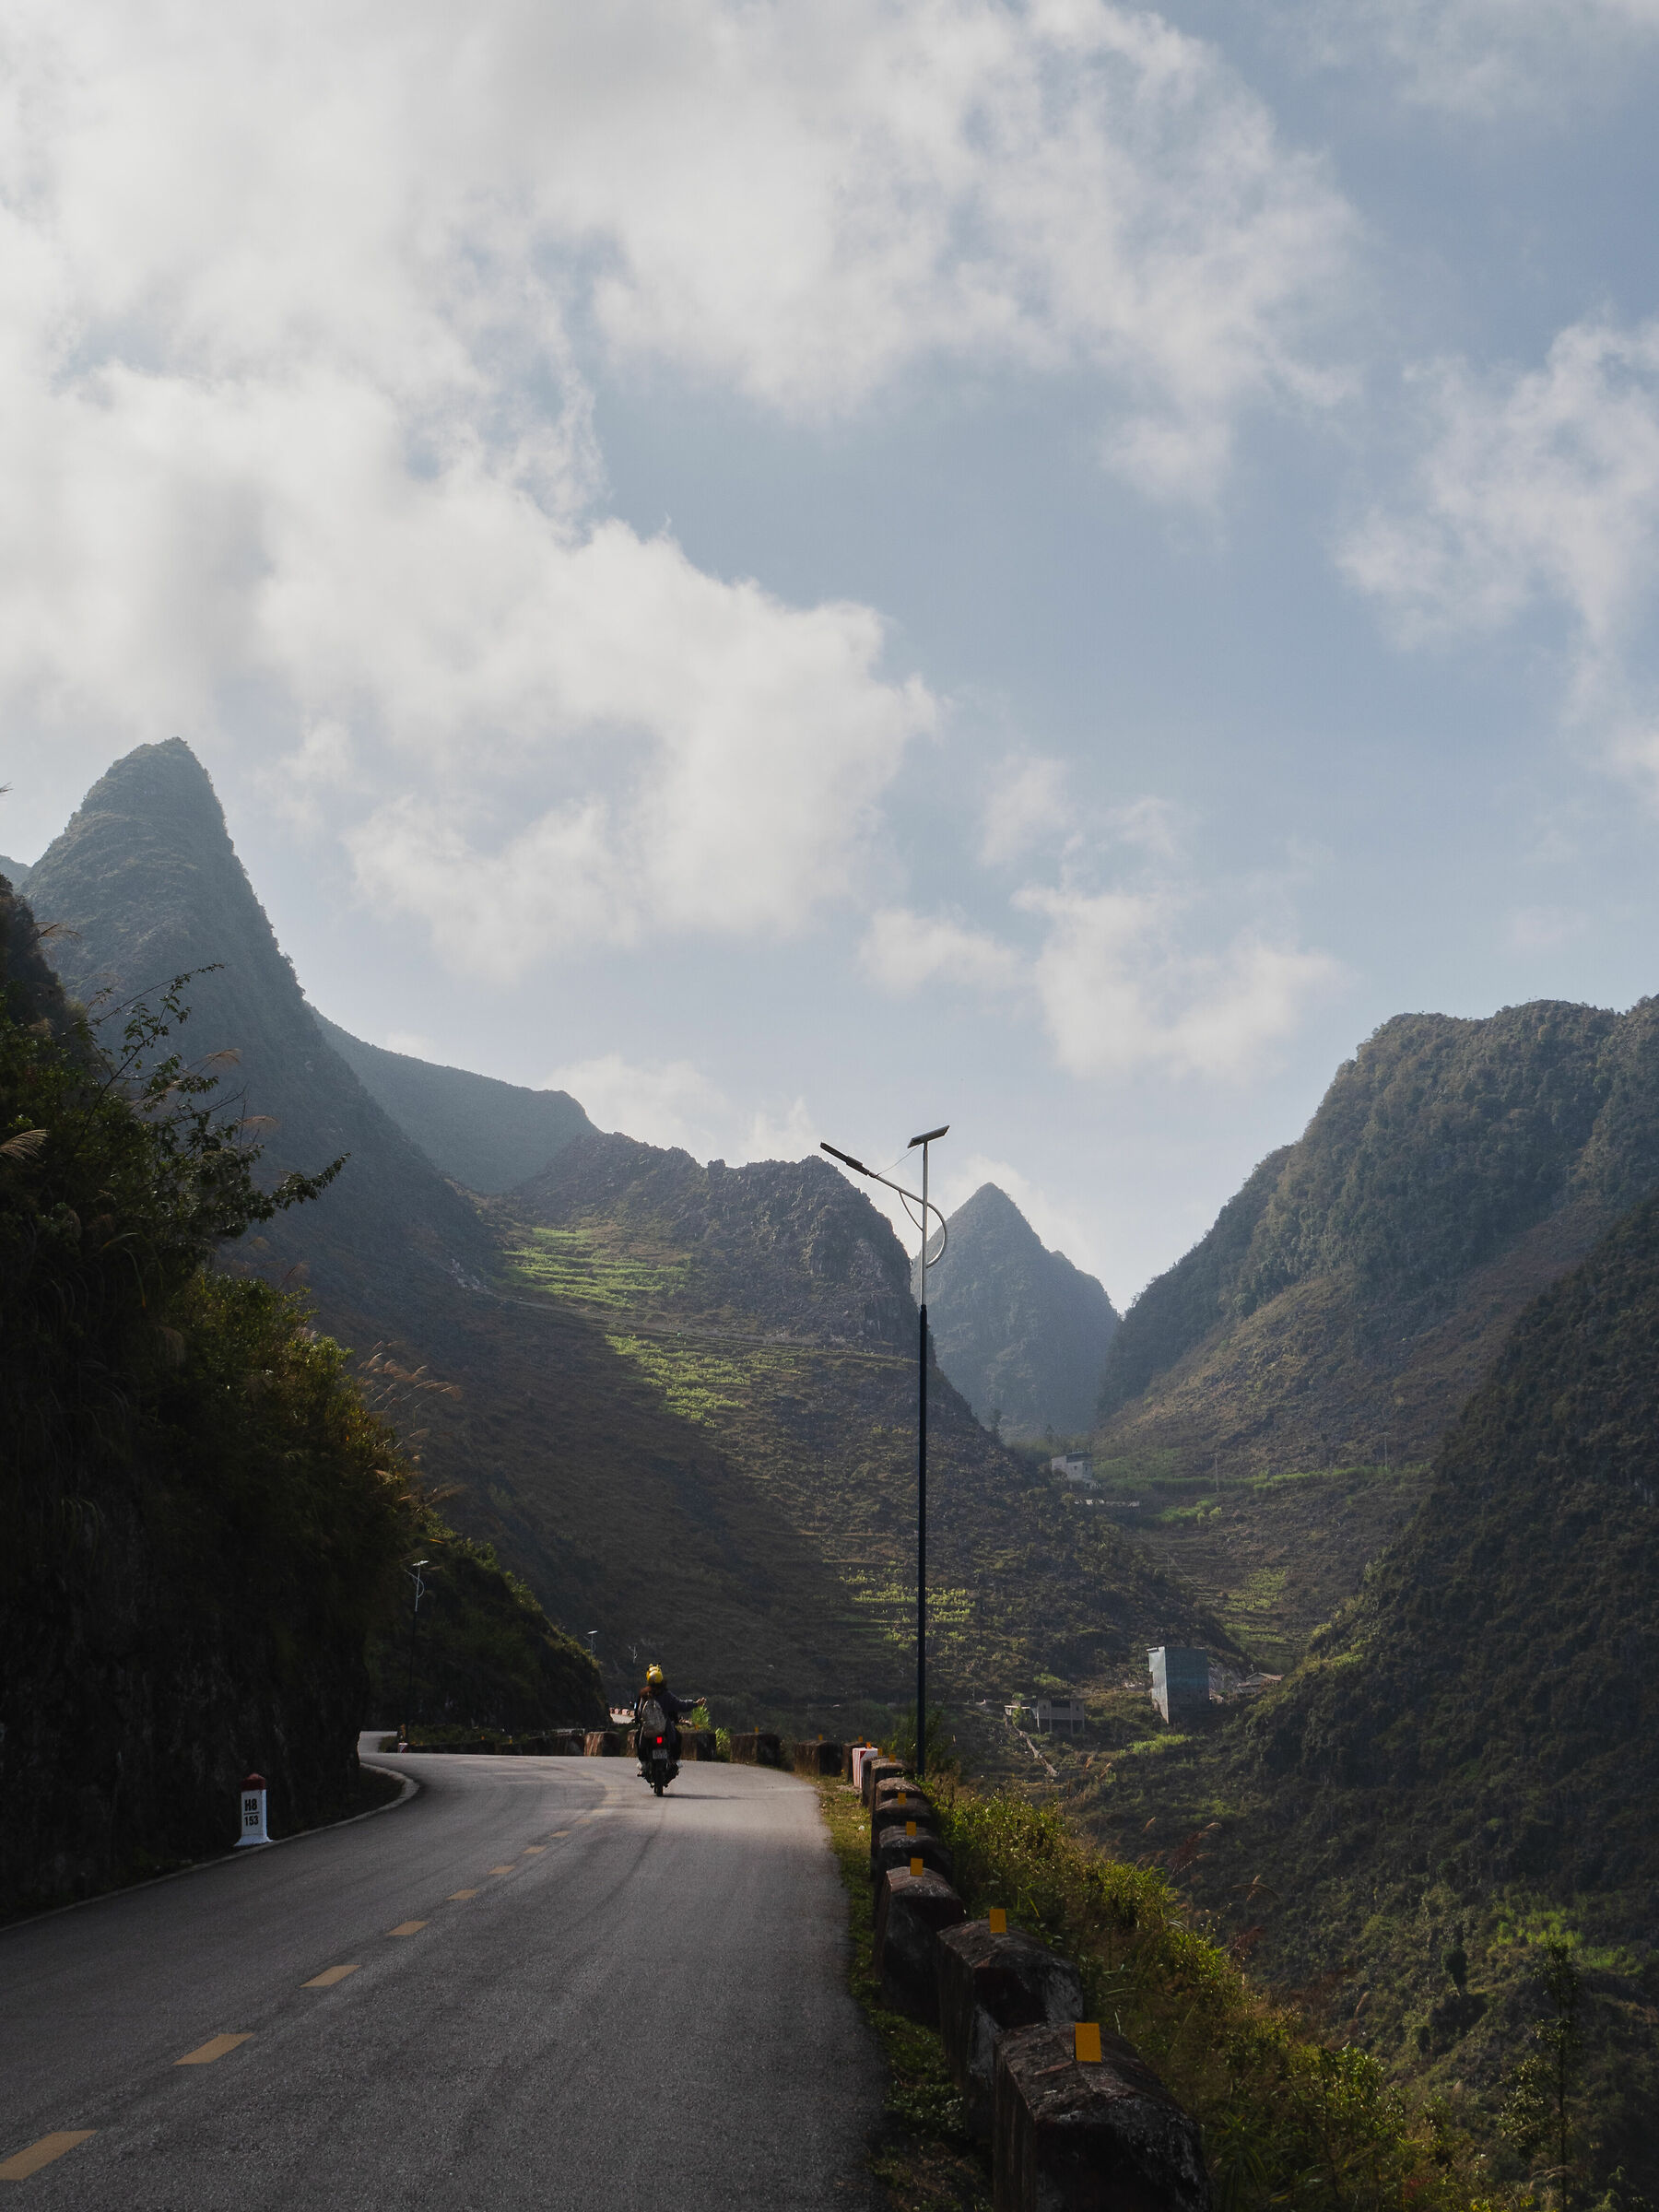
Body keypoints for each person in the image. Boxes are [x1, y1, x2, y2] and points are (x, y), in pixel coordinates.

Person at [633, 1663, 701, 1767]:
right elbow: (680, 1705)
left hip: (648, 1728)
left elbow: (639, 1712)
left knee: (638, 1737)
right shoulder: (666, 1695)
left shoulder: (644, 1695)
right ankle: (676, 1760)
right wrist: (695, 1704)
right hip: (665, 1727)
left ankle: (644, 1763)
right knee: (677, 1737)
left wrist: (638, 1720)